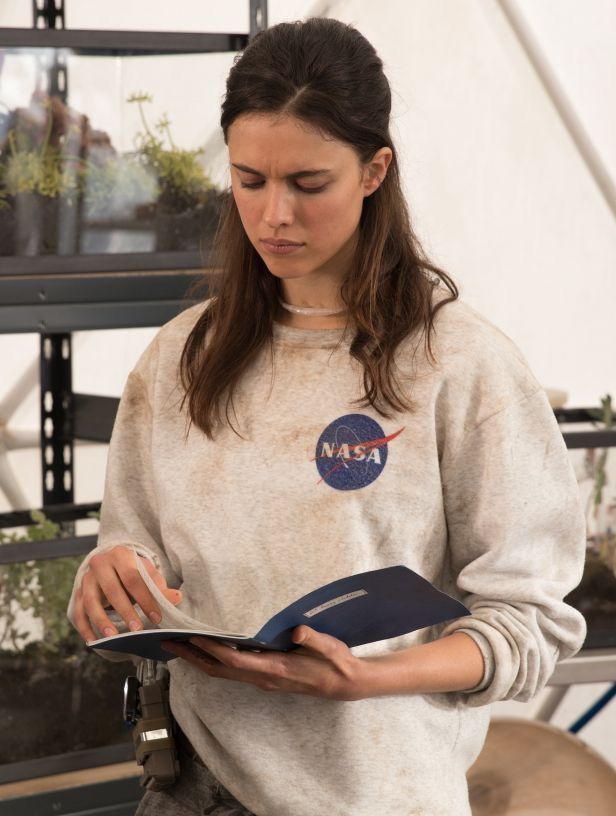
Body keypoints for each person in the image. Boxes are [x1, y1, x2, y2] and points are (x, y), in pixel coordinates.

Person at [68, 17, 586, 816]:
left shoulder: (461, 365)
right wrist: (110, 578)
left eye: (308, 184)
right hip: (190, 789)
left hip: (375, 796)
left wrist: (363, 679)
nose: (275, 214)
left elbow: (530, 625)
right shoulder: (180, 358)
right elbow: (133, 548)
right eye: (249, 180)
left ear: (375, 169)